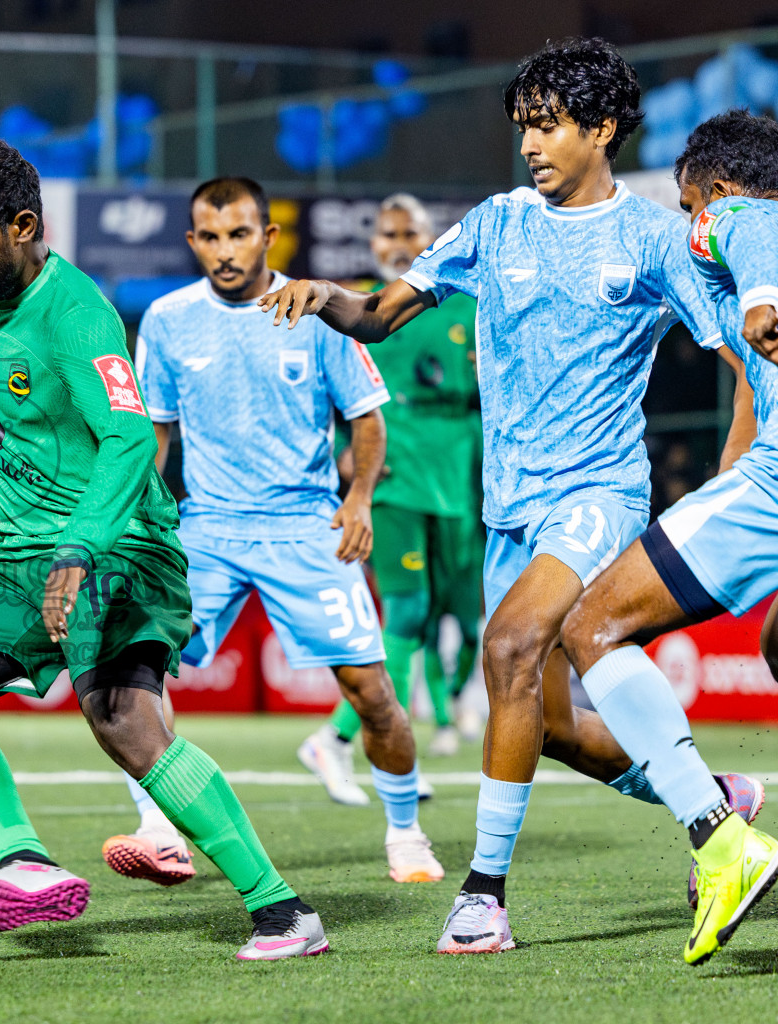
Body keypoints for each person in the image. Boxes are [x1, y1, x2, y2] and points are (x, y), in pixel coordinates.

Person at [259, 38, 761, 954]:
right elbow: (381, 311)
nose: (531, 144)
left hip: (599, 493)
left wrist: (738, 467)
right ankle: (715, 802)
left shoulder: (652, 237)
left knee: (512, 641)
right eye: (523, 126)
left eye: (550, 125)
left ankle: (484, 896)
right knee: (550, 727)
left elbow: (737, 350)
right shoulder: (494, 224)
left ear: (601, 129)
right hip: (509, 506)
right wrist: (325, 294)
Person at [0, 135, 328, 961]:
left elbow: (128, 436)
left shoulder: (77, 311)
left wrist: (79, 550)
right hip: (26, 551)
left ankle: (282, 912)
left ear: (22, 225)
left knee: (121, 719)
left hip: (123, 539)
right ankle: (21, 864)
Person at [105, 175, 442, 889]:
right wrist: (143, 513)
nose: (226, 251)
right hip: (209, 527)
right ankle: (159, 826)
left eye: (240, 233)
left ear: (268, 236)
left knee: (373, 692)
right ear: (193, 241)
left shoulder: (315, 309)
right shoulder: (167, 319)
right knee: (134, 665)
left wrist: (359, 500)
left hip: (304, 529)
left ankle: (406, 831)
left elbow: (368, 417)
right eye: (211, 236)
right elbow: (155, 433)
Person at [559, 109, 778, 966]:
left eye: (689, 203)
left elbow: (753, 259)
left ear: (713, 189)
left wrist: (763, 309)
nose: (691, 219)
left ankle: (723, 841)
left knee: (591, 626)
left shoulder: (735, 215)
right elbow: (750, 393)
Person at [298, 193, 484, 809]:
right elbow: (329, 393)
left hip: (454, 479)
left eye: (410, 231)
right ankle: (355, 741)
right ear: (373, 242)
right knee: (406, 612)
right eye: (387, 231)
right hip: (394, 476)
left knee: (437, 614)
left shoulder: (458, 304)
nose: (397, 240)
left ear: (429, 239)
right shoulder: (358, 310)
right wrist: (345, 459)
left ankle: (362, 738)